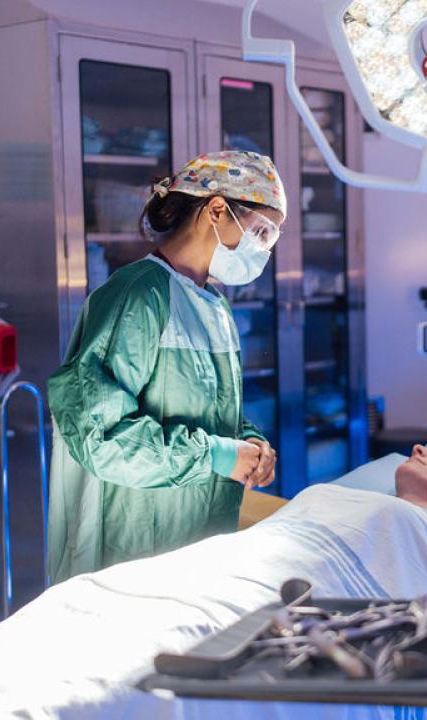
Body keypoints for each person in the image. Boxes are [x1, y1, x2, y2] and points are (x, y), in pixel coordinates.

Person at [47, 151, 285, 582]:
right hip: (132, 544)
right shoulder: (138, 297)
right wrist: (214, 454)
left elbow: (212, 407)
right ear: (217, 209)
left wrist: (249, 443)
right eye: (262, 231)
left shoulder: (212, 303)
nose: (265, 249)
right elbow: (102, 438)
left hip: (198, 535)